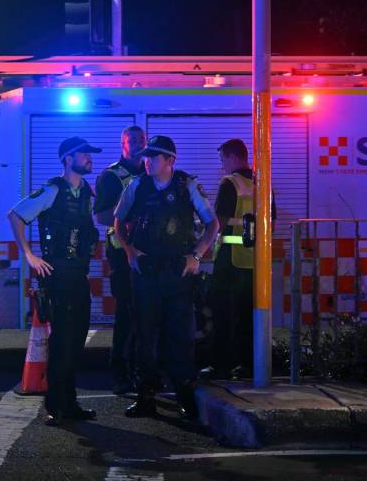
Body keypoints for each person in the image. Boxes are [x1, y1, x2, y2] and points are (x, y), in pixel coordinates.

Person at [113, 135, 219, 419]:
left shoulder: (187, 185)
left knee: (180, 337)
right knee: (145, 335)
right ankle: (145, 397)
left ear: (170, 160)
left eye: (153, 157)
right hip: (146, 271)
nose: (146, 161)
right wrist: (130, 252)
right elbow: (118, 221)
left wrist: (196, 255)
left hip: (177, 271)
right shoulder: (137, 185)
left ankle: (185, 396)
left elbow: (212, 224)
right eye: (145, 157)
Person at [8, 136, 101, 426]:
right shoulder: (52, 190)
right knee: (61, 342)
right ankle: (57, 406)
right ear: (67, 158)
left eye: (90, 154)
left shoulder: (87, 191)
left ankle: (69, 403)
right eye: (84, 154)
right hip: (57, 274)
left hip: (77, 274)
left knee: (75, 341)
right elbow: (15, 216)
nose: (89, 158)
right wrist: (29, 255)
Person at [93, 125, 146, 395]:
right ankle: (120, 374)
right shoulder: (111, 177)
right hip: (122, 255)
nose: (137, 143)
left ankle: (143, 372)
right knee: (126, 314)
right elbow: (101, 216)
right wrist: (127, 213)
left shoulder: (152, 173)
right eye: (132, 140)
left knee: (147, 315)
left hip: (149, 255)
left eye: (141, 139)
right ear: (123, 144)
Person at [209, 139, 260, 380]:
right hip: (254, 262)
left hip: (229, 261)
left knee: (222, 315)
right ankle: (247, 365)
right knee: (248, 316)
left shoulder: (229, 183)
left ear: (231, 157)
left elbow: (218, 222)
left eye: (222, 160)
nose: (222, 166)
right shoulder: (262, 182)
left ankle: (221, 366)